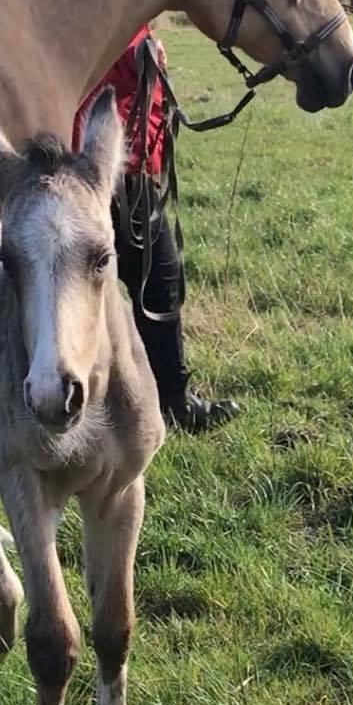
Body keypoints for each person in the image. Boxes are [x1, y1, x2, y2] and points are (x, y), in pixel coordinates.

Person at [72, 24, 239, 433]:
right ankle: (162, 402)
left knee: (157, 280)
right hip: (100, 174)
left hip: (128, 171)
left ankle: (163, 399)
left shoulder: (129, 13)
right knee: (136, 284)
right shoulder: (98, 10)